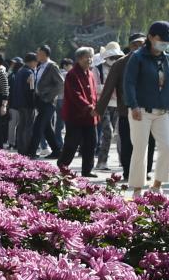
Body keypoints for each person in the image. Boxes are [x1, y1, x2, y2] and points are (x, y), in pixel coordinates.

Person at [124, 21, 169, 197]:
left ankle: (157, 186)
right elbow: (129, 83)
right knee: (140, 149)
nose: (165, 42)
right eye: (161, 39)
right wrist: (133, 105)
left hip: (163, 112)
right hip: (141, 111)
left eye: (168, 40)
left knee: (167, 147)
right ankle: (137, 190)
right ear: (150, 37)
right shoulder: (137, 57)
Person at [97, 32, 152, 180]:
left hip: (148, 110)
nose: (138, 47)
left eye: (141, 44)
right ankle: (128, 171)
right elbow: (108, 88)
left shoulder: (153, 60)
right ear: (130, 46)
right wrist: (99, 110)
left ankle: (145, 171)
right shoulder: (120, 64)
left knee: (146, 142)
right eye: (135, 44)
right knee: (127, 142)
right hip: (125, 110)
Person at [58, 47, 100, 177]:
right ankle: (62, 166)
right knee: (72, 143)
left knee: (91, 143)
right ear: (79, 58)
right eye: (87, 57)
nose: (90, 59)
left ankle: (87, 170)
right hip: (75, 115)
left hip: (90, 116)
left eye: (91, 57)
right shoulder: (72, 74)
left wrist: (97, 108)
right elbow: (75, 95)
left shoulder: (91, 74)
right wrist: (89, 107)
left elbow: (93, 94)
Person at [27, 45, 63, 158]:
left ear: (44, 54)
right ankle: (57, 151)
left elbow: (60, 84)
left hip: (48, 102)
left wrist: (49, 97)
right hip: (39, 101)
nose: (36, 55)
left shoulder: (52, 66)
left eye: (38, 53)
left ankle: (31, 152)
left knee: (38, 126)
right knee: (47, 129)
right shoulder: (39, 66)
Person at [94, 42, 122, 172]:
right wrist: (109, 87)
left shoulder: (120, 68)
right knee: (108, 132)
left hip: (117, 105)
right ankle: (102, 161)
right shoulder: (97, 69)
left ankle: (123, 160)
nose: (114, 59)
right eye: (112, 57)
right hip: (103, 105)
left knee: (119, 133)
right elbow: (96, 87)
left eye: (116, 57)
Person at [11, 53, 37, 157]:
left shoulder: (20, 71)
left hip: (19, 103)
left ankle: (21, 149)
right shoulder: (29, 72)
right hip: (28, 104)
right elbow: (31, 89)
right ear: (32, 62)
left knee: (21, 126)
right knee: (28, 127)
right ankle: (26, 150)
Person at [54, 58, 74, 146]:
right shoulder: (67, 74)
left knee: (59, 123)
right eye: (70, 65)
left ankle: (59, 143)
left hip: (57, 99)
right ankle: (68, 143)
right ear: (65, 65)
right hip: (65, 100)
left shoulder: (57, 73)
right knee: (68, 123)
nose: (72, 67)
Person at [7, 57, 22, 149]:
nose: (12, 65)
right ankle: (12, 143)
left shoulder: (15, 75)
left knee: (16, 126)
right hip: (14, 104)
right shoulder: (11, 75)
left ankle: (15, 143)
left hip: (18, 104)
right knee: (12, 125)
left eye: (14, 63)